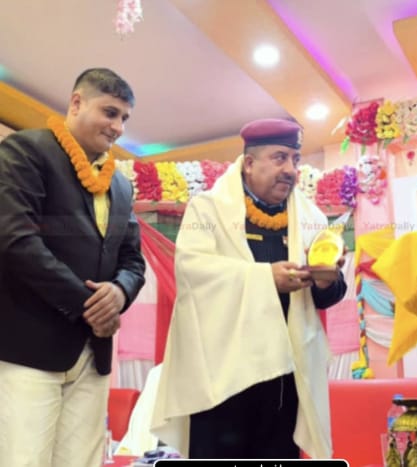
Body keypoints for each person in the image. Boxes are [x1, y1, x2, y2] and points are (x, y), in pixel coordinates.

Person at [151, 118, 347, 459]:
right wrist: (265, 278)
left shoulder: (311, 217)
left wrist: (326, 280)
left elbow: (325, 294)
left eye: (295, 160)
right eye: (280, 158)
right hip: (222, 376)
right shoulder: (209, 209)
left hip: (284, 378)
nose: (290, 170)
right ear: (250, 163)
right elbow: (192, 273)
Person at [0, 68, 146, 466]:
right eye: (110, 112)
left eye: (124, 118)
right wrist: (91, 306)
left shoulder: (120, 184)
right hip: (29, 347)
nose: (118, 127)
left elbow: (133, 259)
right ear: (77, 103)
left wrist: (119, 292)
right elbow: (16, 240)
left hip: (92, 353)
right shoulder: (26, 151)